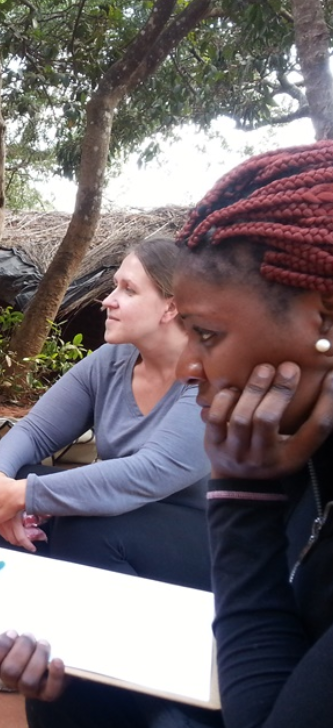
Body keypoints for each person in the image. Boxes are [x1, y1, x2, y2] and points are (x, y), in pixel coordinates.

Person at [0, 236, 222, 728]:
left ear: (172, 306)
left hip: (206, 548)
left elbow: (147, 474)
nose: (108, 299)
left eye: (127, 289)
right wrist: (1, 482)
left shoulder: (210, 380)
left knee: (73, 519)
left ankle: (141, 687)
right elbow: (33, 430)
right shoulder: (111, 362)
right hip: (129, 532)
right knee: (29, 486)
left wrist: (25, 494)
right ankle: (45, 646)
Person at [170, 141, 333, 727]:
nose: (188, 366)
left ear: (326, 318)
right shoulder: (304, 445)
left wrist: (241, 492)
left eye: (207, 335)